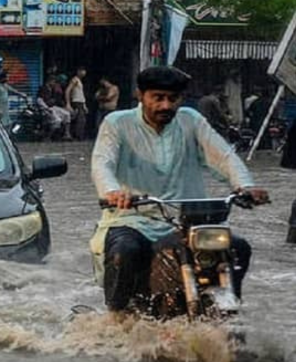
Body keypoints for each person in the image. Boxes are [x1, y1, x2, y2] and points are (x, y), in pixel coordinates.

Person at [91, 66, 269, 320]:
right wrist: (113, 192)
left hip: (189, 221)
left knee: (238, 247)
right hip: (132, 218)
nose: (166, 105)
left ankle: (226, 312)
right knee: (124, 251)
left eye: (172, 99)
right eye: (158, 97)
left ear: (181, 99)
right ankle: (116, 318)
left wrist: (245, 186)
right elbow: (102, 162)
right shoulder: (116, 123)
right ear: (141, 95)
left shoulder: (191, 120)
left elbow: (224, 156)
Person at [65, 66, 88, 140]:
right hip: (76, 102)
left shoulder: (80, 81)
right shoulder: (75, 80)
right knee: (79, 119)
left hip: (81, 102)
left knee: (82, 120)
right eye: (82, 70)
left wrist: (84, 105)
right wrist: (68, 103)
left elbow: (81, 94)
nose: (83, 72)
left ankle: (80, 135)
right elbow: (68, 90)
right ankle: (77, 136)